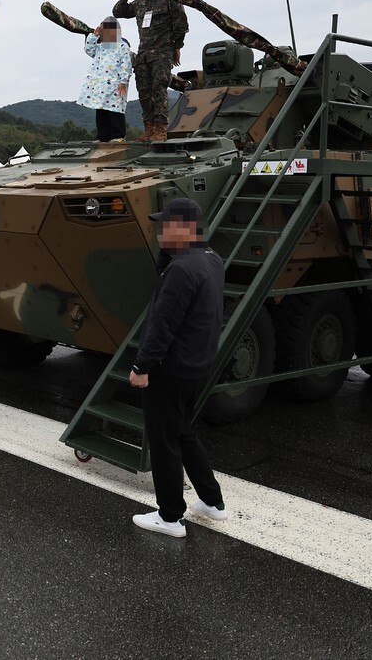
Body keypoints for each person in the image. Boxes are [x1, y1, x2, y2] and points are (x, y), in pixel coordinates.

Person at [130, 197, 226, 537]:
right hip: (196, 364)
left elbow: (163, 323)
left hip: (170, 369)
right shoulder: (210, 259)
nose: (158, 232)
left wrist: (142, 366)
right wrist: (168, 254)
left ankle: (170, 516)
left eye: (165, 225)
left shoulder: (181, 270)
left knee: (164, 439)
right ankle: (212, 502)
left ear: (185, 229)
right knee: (183, 431)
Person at [112, 0, 189, 142]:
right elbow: (118, 12)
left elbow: (181, 26)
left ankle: (161, 129)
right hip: (143, 54)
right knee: (144, 92)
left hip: (162, 53)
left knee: (159, 89)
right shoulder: (141, 3)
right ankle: (149, 128)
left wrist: (176, 48)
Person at [76, 16, 132, 143]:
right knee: (101, 110)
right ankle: (102, 136)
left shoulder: (122, 46)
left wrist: (124, 82)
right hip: (100, 85)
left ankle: (118, 136)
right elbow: (88, 50)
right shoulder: (100, 47)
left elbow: (126, 65)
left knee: (115, 110)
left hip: (115, 84)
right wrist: (94, 35)